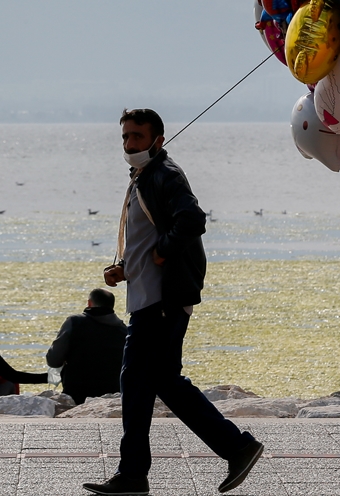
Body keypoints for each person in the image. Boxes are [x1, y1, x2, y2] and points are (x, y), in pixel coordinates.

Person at [83, 109, 264, 496]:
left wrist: (164, 252)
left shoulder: (166, 174)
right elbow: (149, 236)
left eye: (136, 136)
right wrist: (124, 268)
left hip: (162, 301)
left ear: (159, 139)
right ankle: (235, 447)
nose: (129, 144)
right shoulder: (143, 178)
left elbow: (192, 218)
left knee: (135, 382)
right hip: (150, 296)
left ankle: (135, 474)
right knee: (161, 380)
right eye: (125, 137)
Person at [45, 288, 126, 405]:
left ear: (89, 303)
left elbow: (53, 360)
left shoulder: (75, 322)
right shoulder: (124, 330)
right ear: (112, 306)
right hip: (114, 394)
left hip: (77, 395)